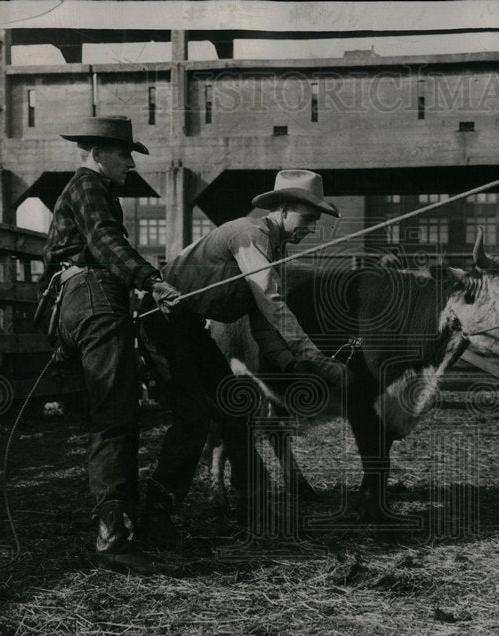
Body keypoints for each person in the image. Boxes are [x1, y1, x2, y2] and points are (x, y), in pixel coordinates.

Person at [138, 169, 347, 547]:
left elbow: (262, 322)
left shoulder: (274, 249)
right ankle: (155, 513)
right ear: (283, 210)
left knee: (235, 408)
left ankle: (250, 505)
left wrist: (290, 364)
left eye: (316, 221)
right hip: (161, 320)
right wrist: (317, 358)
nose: (312, 229)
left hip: (190, 325)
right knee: (195, 417)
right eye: (309, 218)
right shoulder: (251, 236)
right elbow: (273, 303)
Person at [42, 116, 182, 574]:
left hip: (84, 299)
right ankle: (114, 541)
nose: (129, 165)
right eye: (125, 155)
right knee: (116, 417)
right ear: (99, 153)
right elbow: (104, 240)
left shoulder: (86, 189)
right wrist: (151, 280)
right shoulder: (90, 186)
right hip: (96, 297)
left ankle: (120, 529)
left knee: (114, 414)